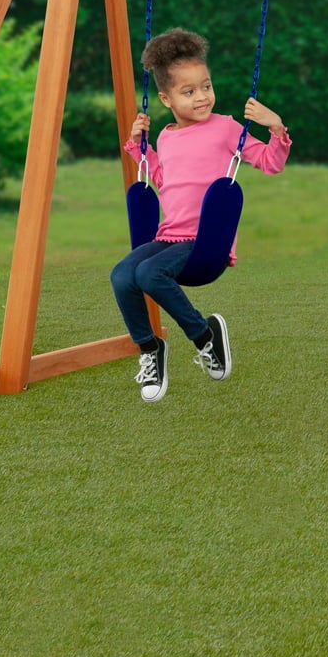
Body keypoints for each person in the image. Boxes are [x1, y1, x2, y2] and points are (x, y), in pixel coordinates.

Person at [113, 27, 291, 403]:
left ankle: (204, 336)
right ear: (165, 98)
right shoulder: (166, 137)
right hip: (168, 236)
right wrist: (138, 146)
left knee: (148, 273)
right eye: (188, 91)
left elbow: (270, 163)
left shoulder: (226, 127)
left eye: (205, 87)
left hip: (205, 242)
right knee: (122, 275)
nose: (201, 97)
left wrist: (274, 126)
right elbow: (164, 180)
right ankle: (150, 349)